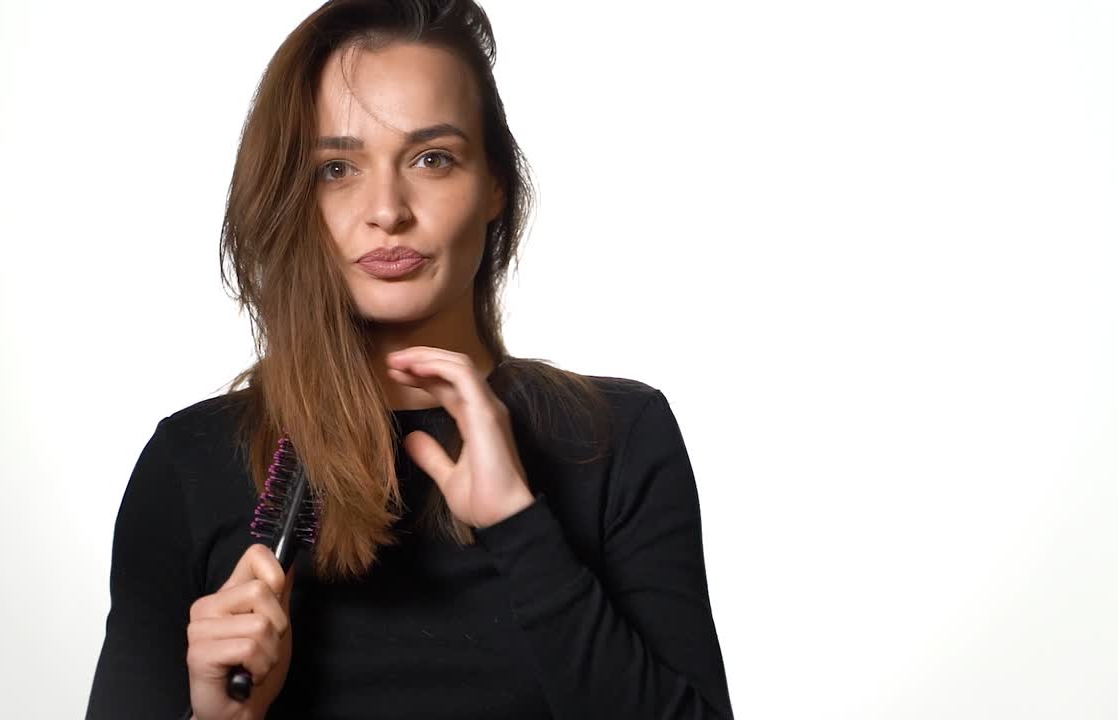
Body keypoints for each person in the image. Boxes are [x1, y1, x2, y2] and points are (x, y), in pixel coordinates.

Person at [85, 1, 734, 718]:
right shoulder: (191, 462)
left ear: (495, 185)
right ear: (290, 198)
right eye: (337, 167)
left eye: (432, 158)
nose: (387, 209)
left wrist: (521, 527)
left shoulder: (615, 437)